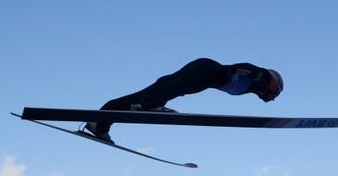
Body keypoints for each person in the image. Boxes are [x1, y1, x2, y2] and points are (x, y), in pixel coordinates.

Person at [85, 58, 283, 143]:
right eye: (275, 93)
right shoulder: (259, 75)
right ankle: (151, 104)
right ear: (272, 82)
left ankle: (99, 125)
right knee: (168, 89)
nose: (271, 97)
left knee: (144, 95)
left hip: (201, 78)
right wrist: (259, 74)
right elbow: (245, 66)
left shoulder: (251, 87)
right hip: (205, 70)